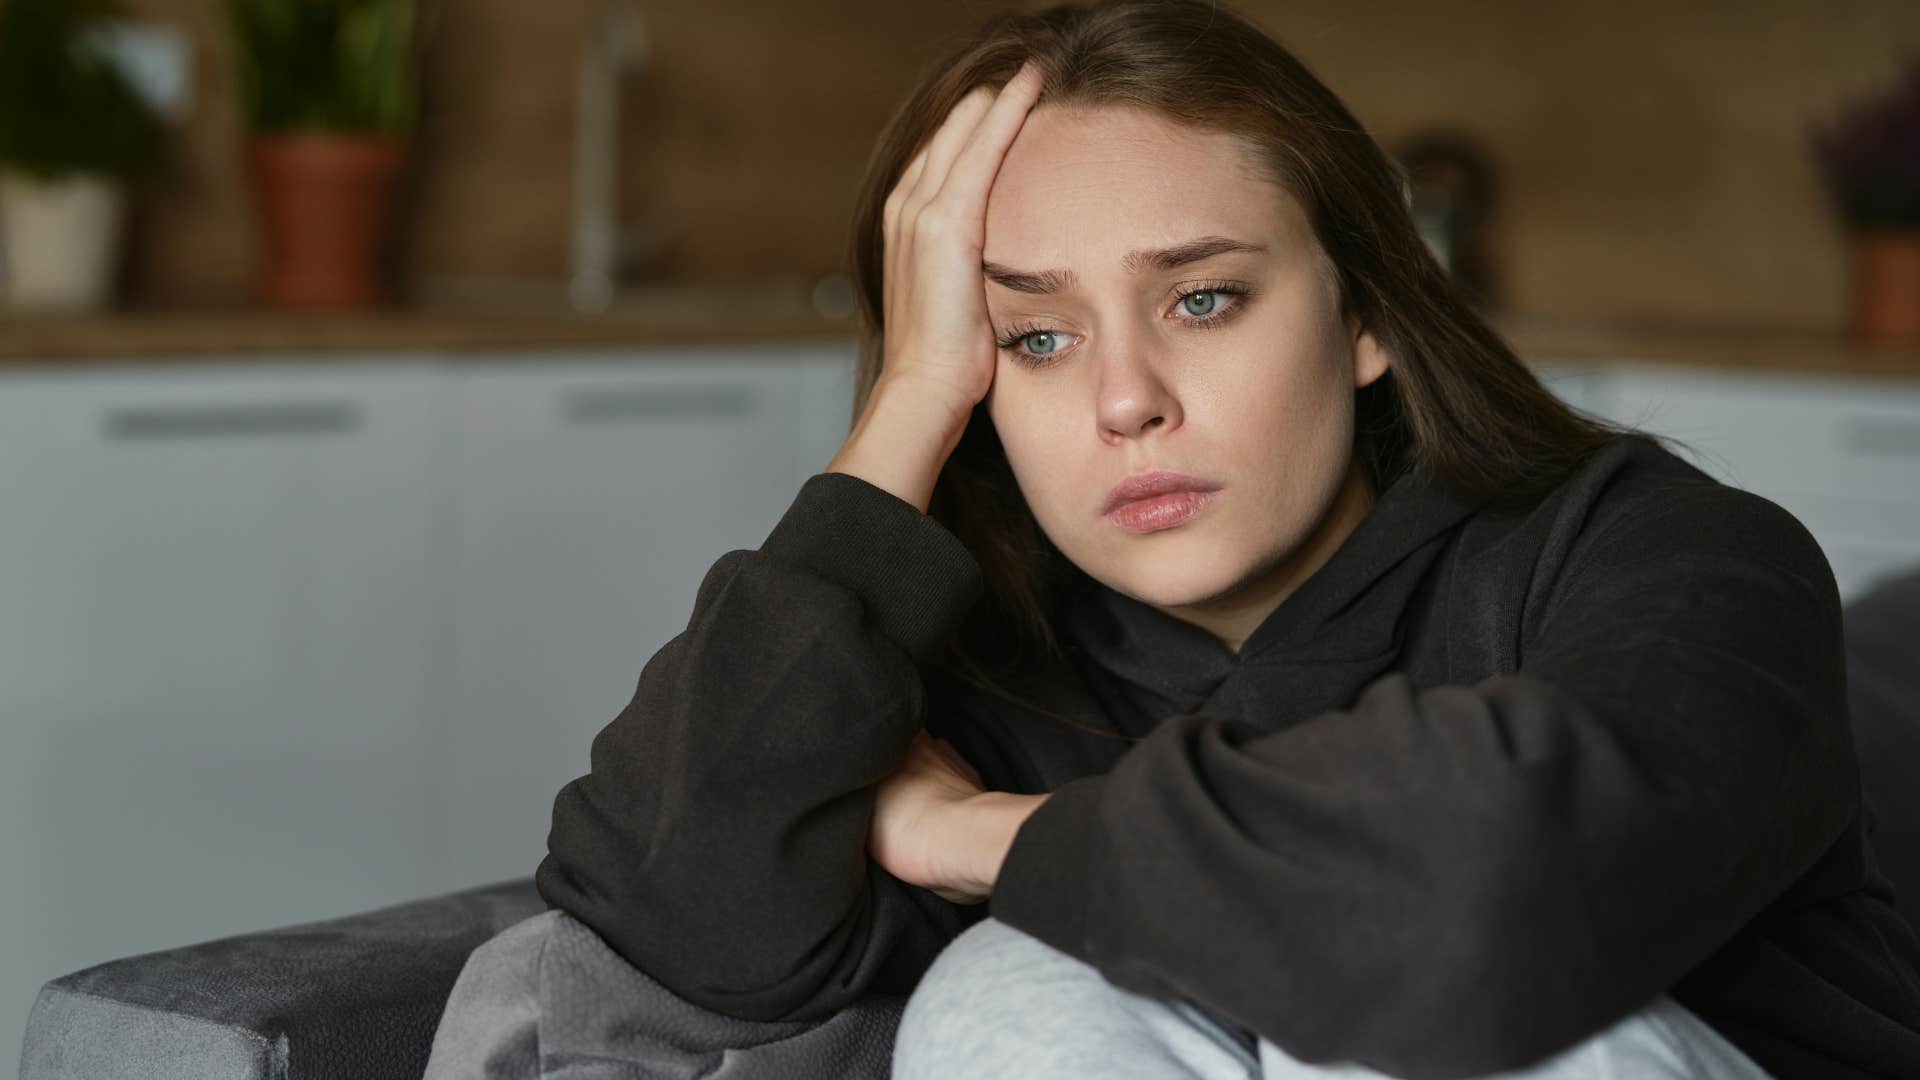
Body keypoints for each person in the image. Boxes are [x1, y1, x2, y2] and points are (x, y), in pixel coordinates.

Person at [533, 2, 1920, 1077]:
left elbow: (1487, 909)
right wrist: (902, 414)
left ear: (1368, 315)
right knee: (1012, 999)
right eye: (1035, 336)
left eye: (1201, 300)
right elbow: (665, 921)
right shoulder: (999, 677)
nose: (1126, 399)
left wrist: (986, 838)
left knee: (1315, 982)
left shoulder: (1672, 562)